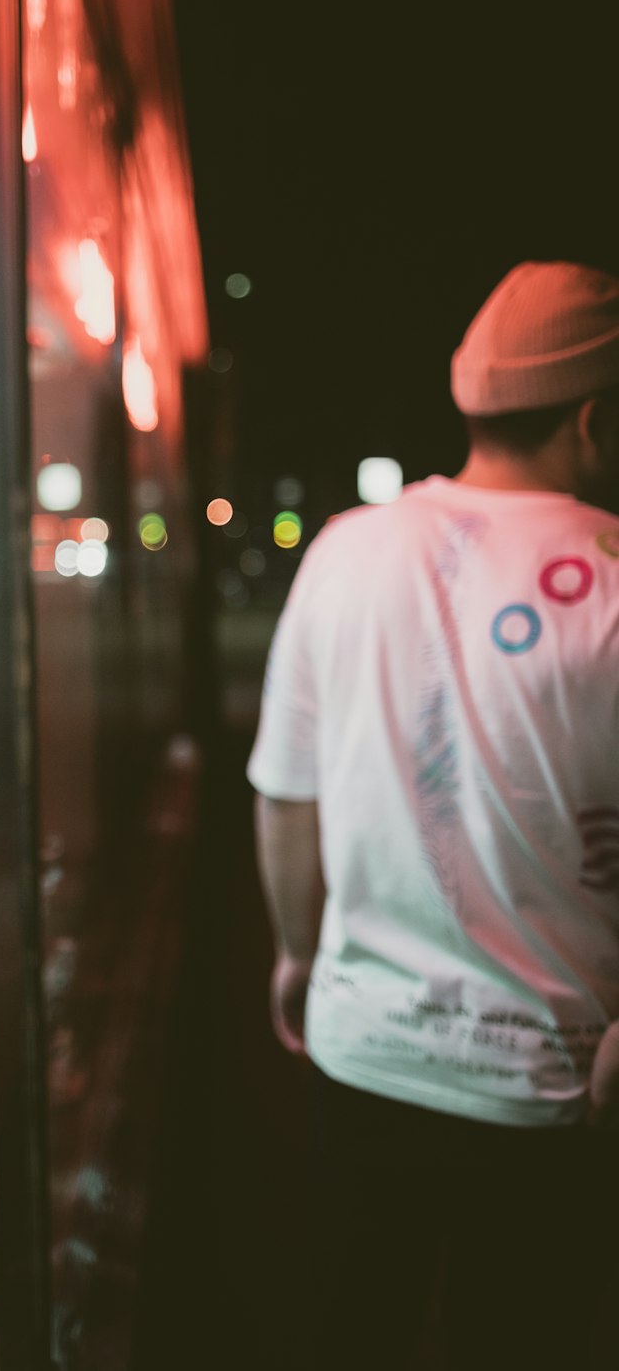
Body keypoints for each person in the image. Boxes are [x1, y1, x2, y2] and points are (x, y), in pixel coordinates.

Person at [248, 260, 619, 1370]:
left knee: (346, 1329)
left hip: (363, 1055)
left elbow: (284, 796)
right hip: (551, 1084)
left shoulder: (345, 551)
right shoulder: (608, 575)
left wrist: (291, 950)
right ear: (592, 419)